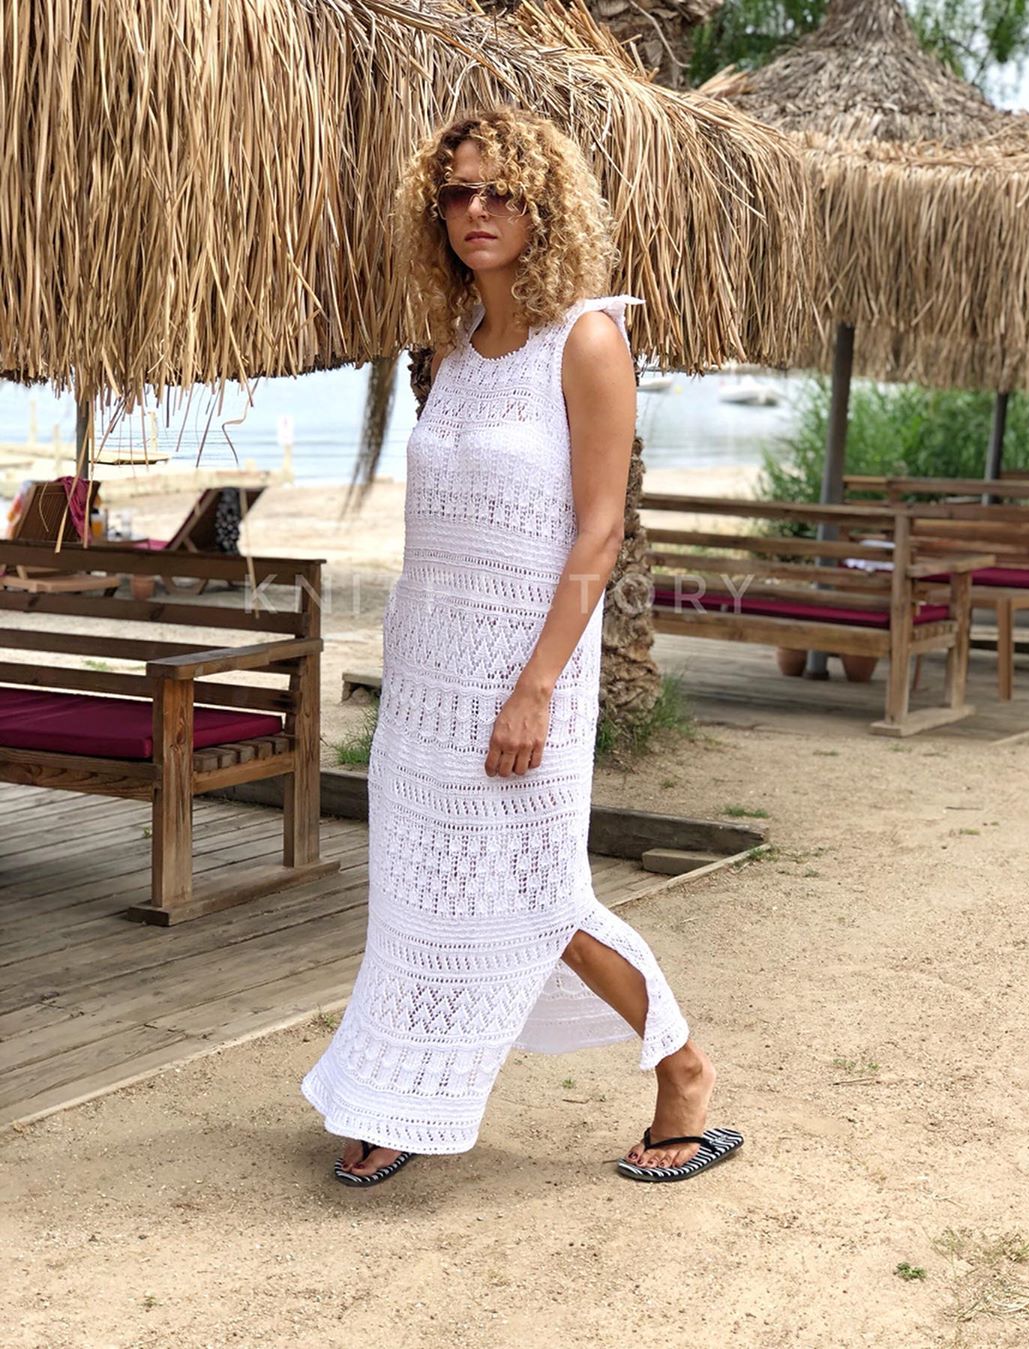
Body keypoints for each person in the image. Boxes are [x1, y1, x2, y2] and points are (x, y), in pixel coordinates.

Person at [301, 105, 743, 1186]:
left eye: (501, 190)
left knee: (542, 895)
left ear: (545, 207)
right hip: (429, 673)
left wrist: (536, 686)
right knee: (417, 890)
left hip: (526, 673)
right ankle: (404, 1093)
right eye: (457, 191)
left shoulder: (587, 338)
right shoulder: (454, 348)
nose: (477, 209)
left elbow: (600, 530)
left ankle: (683, 1067)